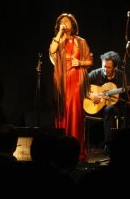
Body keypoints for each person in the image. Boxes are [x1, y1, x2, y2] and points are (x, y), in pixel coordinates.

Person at [49, 13, 92, 162]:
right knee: (62, 111)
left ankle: (77, 151)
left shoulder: (81, 41)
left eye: (67, 21)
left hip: (76, 80)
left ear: (73, 25)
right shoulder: (58, 40)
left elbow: (89, 61)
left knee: (74, 111)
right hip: (62, 79)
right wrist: (60, 33)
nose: (64, 23)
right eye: (61, 21)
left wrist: (79, 63)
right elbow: (52, 50)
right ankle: (61, 149)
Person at [87, 51, 130, 151]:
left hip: (114, 107)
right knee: (109, 109)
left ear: (115, 67)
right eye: (104, 66)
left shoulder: (121, 76)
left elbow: (128, 97)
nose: (105, 69)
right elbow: (81, 88)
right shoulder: (95, 74)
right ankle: (105, 143)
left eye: (109, 67)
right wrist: (91, 95)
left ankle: (119, 144)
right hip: (96, 107)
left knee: (123, 110)